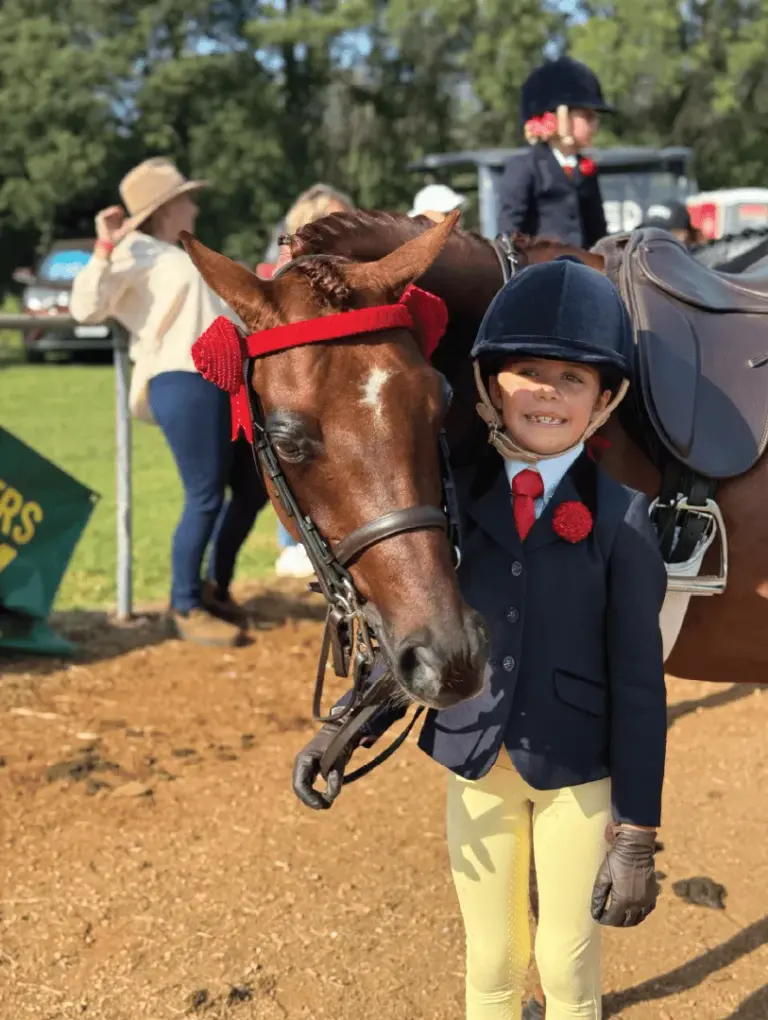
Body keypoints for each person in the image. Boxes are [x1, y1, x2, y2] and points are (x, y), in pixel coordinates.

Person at [293, 257, 668, 1020]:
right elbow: (418, 633)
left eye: (572, 379)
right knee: (492, 959)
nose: (548, 393)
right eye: (529, 373)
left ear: (605, 399)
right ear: (492, 387)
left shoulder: (625, 520)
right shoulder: (450, 504)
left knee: (565, 962)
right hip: (474, 763)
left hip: (576, 775)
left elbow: (639, 686)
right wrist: (344, 728)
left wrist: (637, 833)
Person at [70, 157, 268, 646]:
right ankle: (185, 605)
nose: (194, 208)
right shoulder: (132, 252)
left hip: (222, 379)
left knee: (253, 485)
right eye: (186, 200)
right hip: (182, 377)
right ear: (165, 209)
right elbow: (85, 309)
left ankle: (214, 586)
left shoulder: (177, 253)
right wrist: (104, 246)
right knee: (205, 495)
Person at [271, 183, 355, 579]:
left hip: (337, 378)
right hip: (308, 381)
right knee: (301, 454)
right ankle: (293, 543)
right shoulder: (291, 275)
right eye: (340, 219)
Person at [499, 56, 612, 248]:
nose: (595, 125)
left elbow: (598, 232)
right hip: (542, 264)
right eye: (587, 116)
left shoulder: (586, 169)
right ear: (560, 117)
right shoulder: (526, 168)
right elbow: (510, 233)